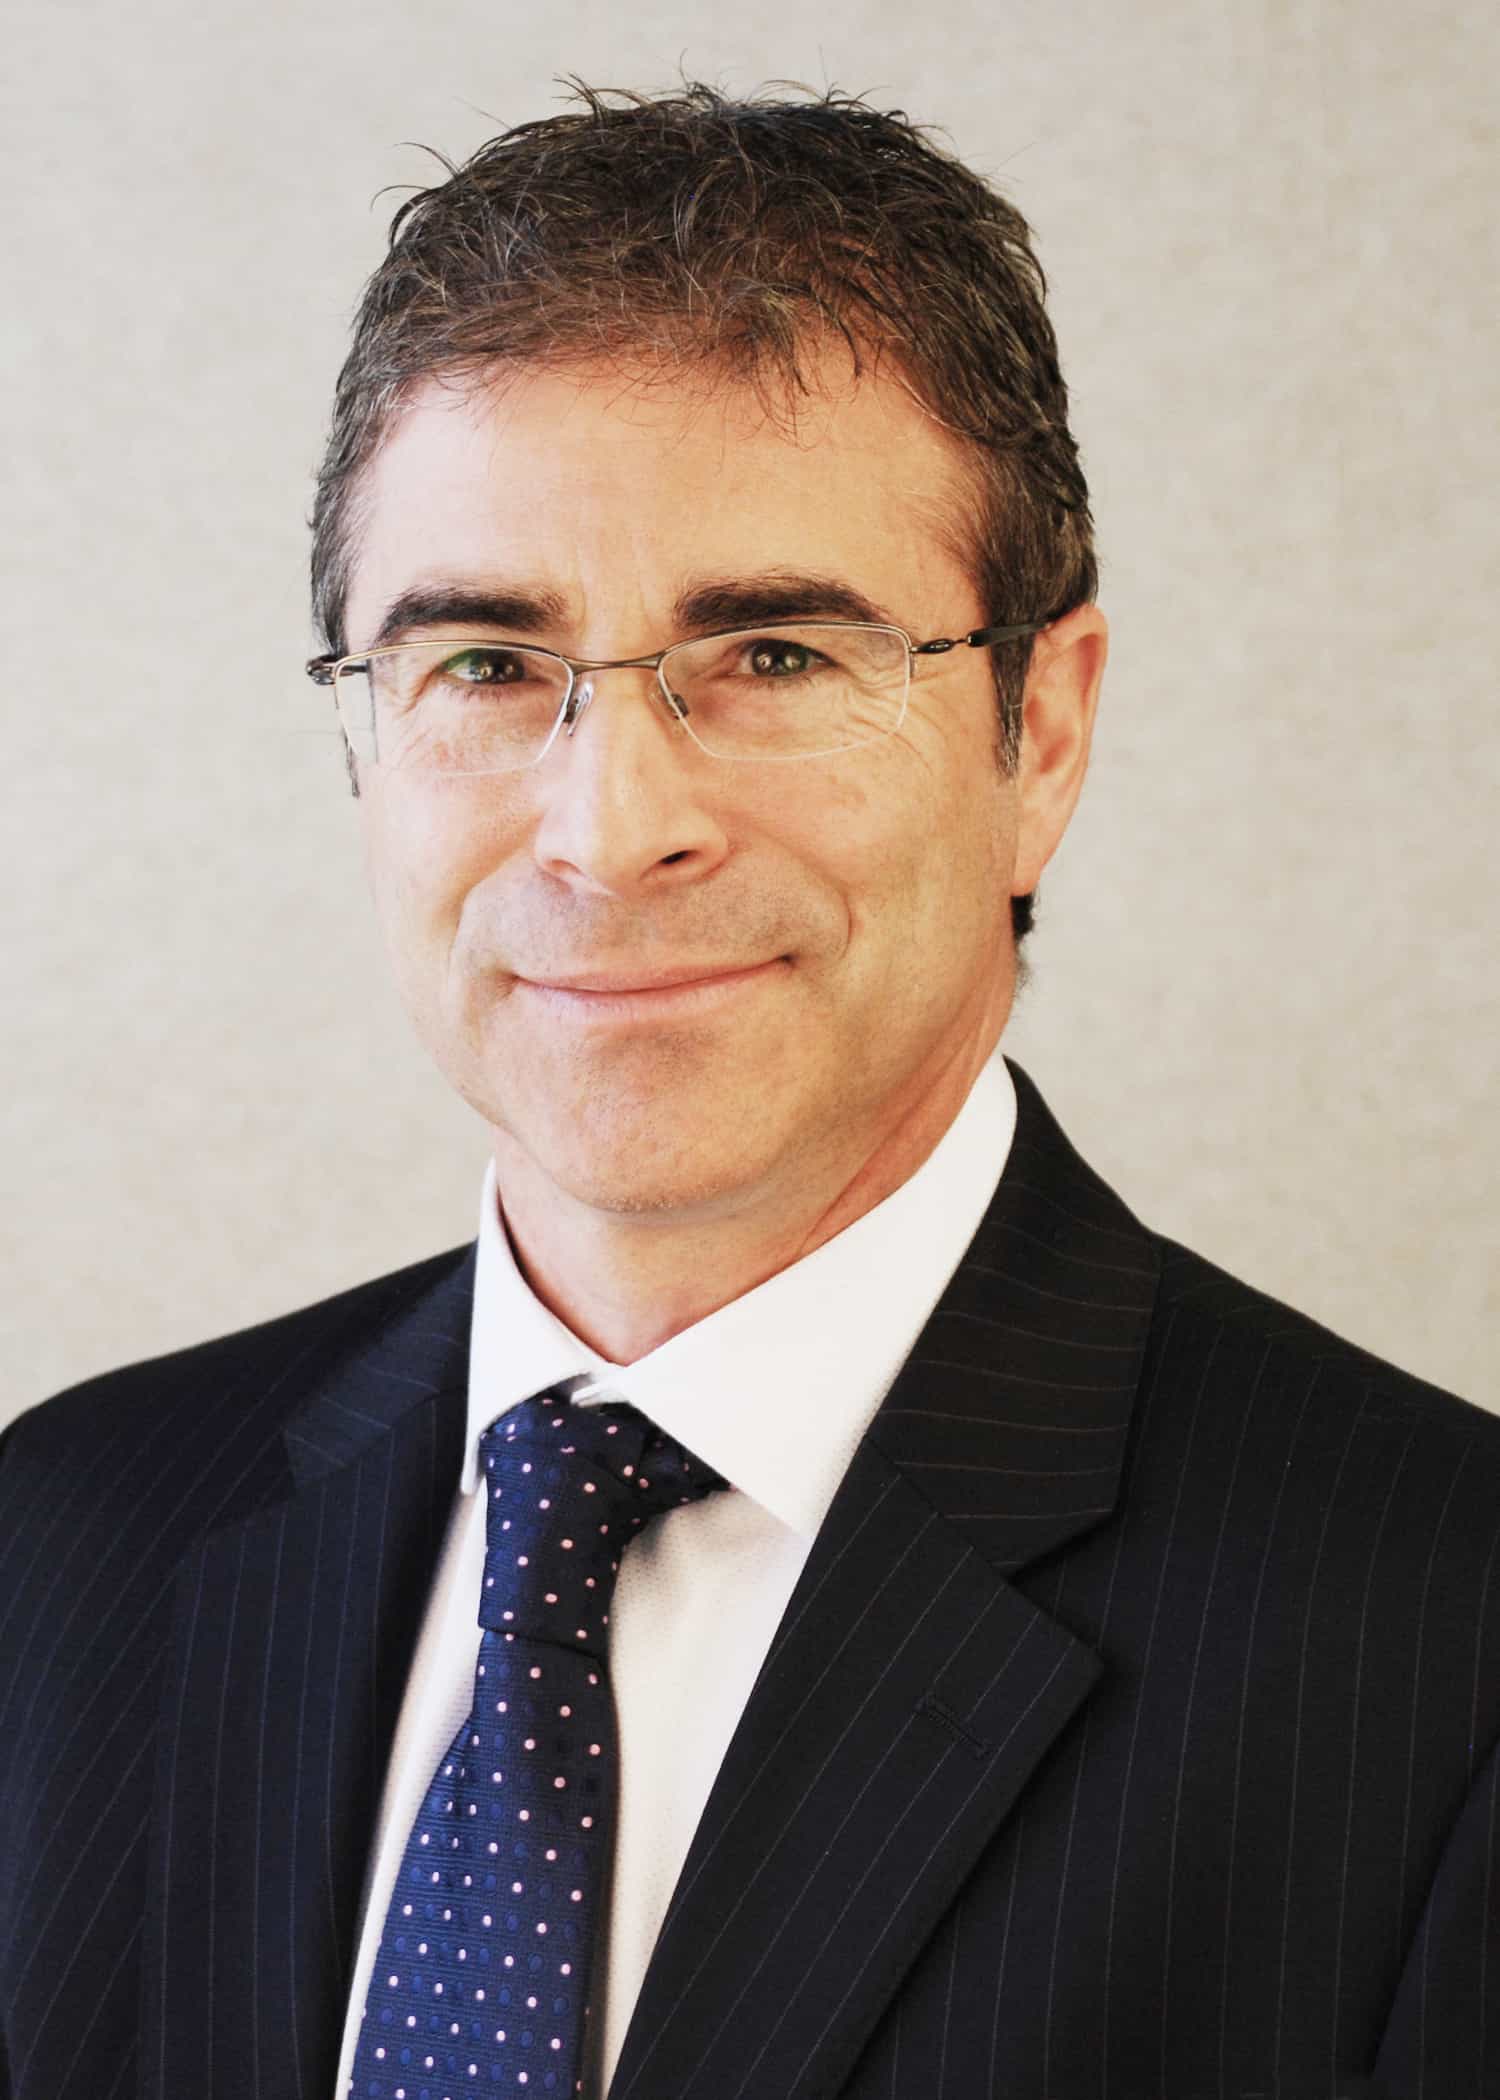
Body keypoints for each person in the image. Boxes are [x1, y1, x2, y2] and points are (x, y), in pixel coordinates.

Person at [0, 81, 1494, 2100]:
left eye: (777, 654)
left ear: (1041, 732)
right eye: (487, 664)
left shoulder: (1440, 1650)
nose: (610, 831)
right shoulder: (73, 1538)